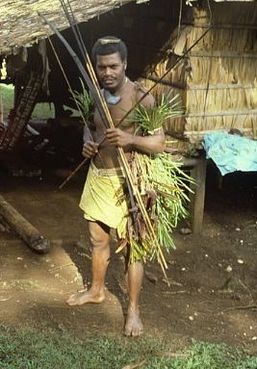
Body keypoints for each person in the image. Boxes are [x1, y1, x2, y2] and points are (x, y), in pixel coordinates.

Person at [67, 36, 165, 337]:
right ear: (95, 68)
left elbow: (160, 143)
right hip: (99, 177)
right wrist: (87, 143)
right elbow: (90, 124)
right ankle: (96, 290)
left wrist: (131, 139)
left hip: (129, 182)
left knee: (133, 248)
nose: (107, 72)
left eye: (113, 66)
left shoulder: (141, 97)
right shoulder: (96, 94)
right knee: (97, 239)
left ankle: (133, 310)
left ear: (124, 64)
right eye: (101, 67)